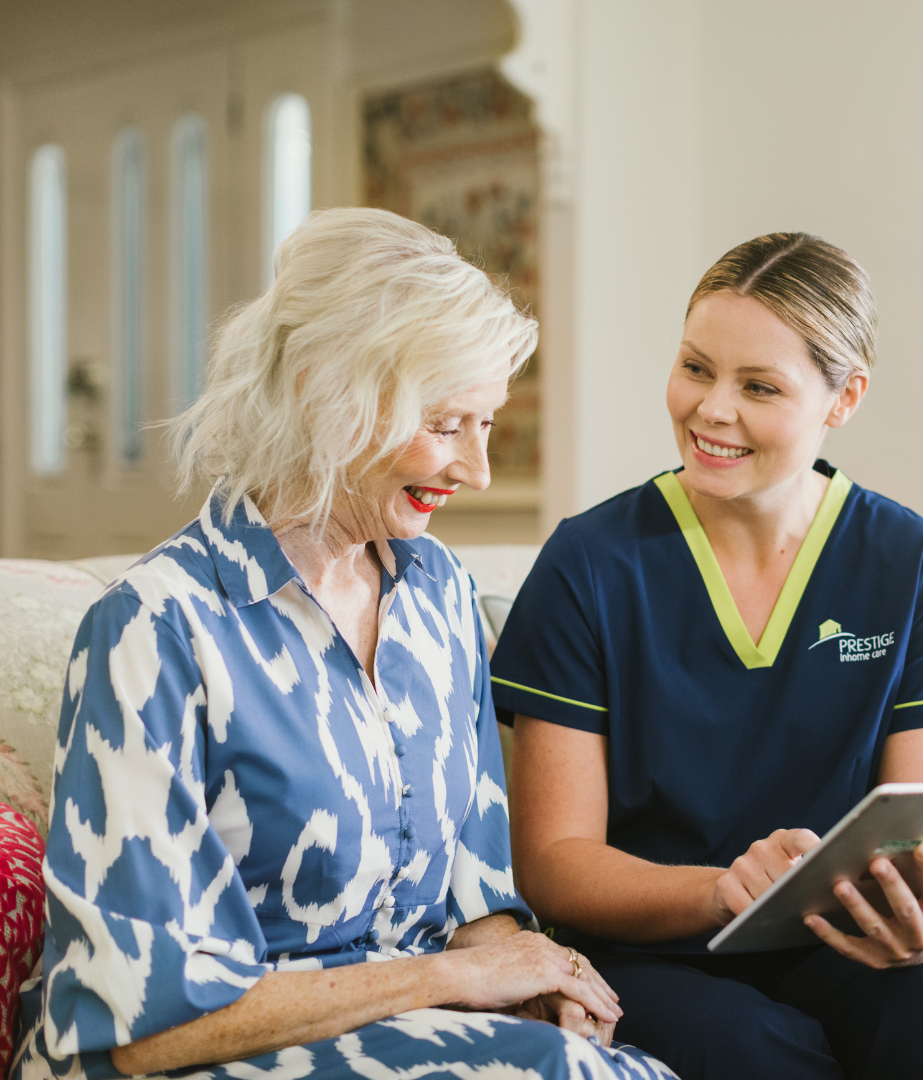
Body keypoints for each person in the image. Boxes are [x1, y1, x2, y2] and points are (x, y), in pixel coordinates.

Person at [13, 208, 676, 1080]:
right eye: (445, 424)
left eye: (485, 425)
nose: (476, 471)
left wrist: (533, 982)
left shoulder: (438, 594)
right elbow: (142, 1024)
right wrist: (451, 978)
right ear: (326, 394)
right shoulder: (157, 628)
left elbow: (477, 895)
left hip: (404, 1031)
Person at [490, 233, 923, 1080]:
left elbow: (918, 832)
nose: (712, 410)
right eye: (695, 368)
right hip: (652, 953)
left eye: (759, 386)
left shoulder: (913, 563)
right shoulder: (589, 564)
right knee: (749, 1050)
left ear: (844, 397)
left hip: (841, 941)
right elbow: (554, 864)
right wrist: (720, 890)